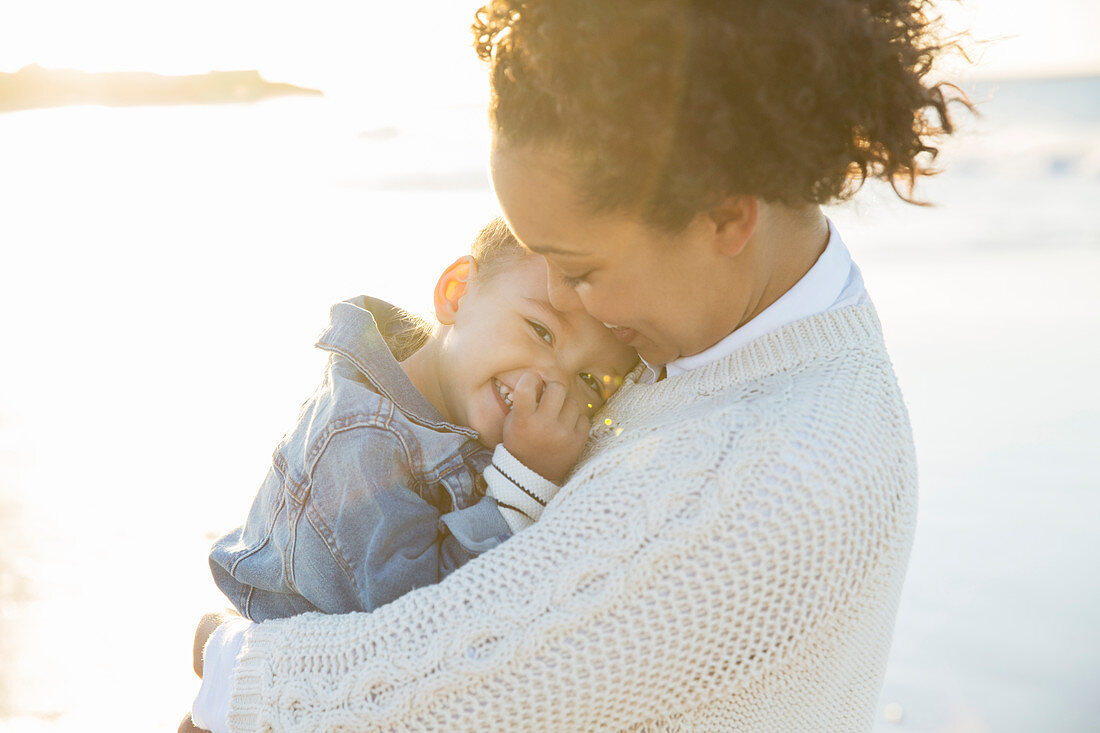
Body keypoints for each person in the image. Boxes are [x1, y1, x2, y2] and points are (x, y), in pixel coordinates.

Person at [186, 1, 968, 730]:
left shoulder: (754, 480)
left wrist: (230, 664)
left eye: (581, 268)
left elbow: (430, 694)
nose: (567, 301)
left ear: (726, 216)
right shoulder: (749, 325)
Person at [208, 218, 637, 622]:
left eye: (589, 381)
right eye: (541, 330)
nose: (553, 383)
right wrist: (526, 478)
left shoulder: (454, 410)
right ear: (456, 292)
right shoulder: (360, 442)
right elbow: (420, 628)